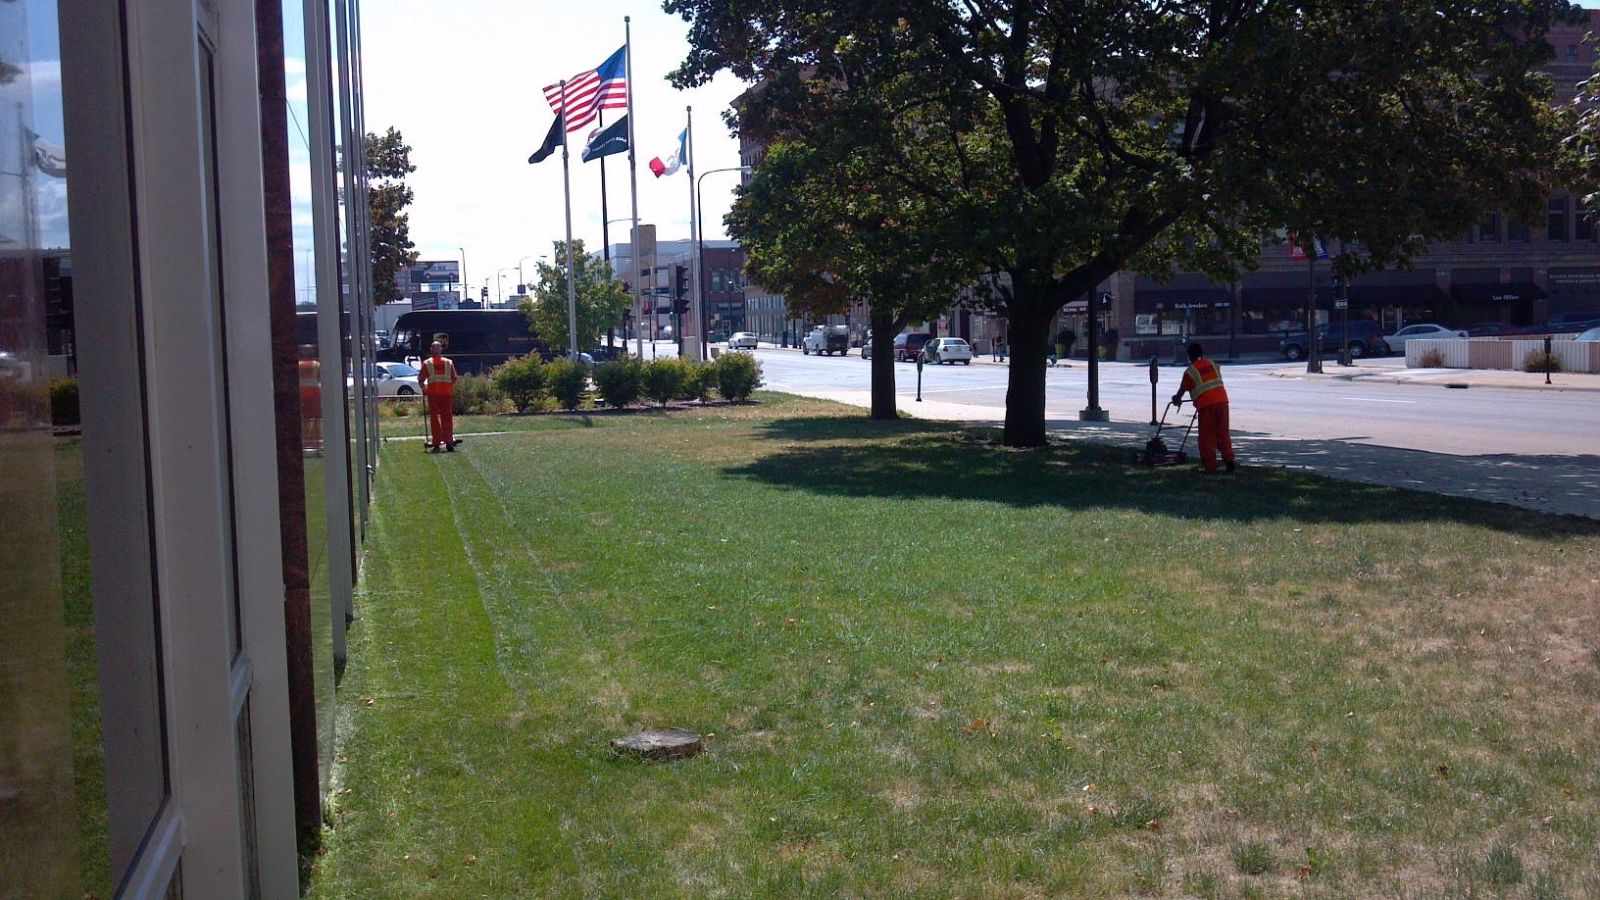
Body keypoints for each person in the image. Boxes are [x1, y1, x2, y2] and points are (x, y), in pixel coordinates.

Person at [1171, 341, 1235, 474]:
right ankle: (1229, 461)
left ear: (1189, 356)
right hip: (1223, 402)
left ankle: (1210, 467)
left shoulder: (1190, 371)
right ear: (1202, 353)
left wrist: (1176, 400)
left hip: (1206, 406)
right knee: (1222, 434)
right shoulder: (1213, 364)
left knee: (1207, 437)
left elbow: (1182, 391)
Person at [420, 340, 461, 452]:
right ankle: (448, 440)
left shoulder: (427, 363)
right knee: (447, 417)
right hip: (446, 394)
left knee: (434, 417)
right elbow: (454, 378)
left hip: (433, 394)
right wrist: (448, 386)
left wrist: (424, 388)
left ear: (431, 349)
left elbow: (421, 379)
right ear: (440, 350)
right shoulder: (449, 363)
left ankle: (437, 441)